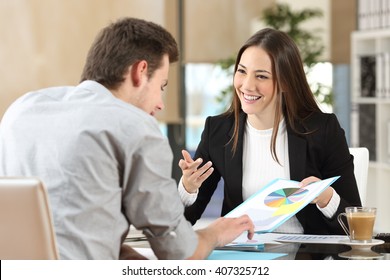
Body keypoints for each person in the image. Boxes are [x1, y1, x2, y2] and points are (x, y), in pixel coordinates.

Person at [0, 17, 254, 260]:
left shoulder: (22, 109)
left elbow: (60, 222)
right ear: (140, 72)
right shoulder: (135, 126)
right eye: (162, 86)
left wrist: (115, 252)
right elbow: (182, 252)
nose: (161, 104)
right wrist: (216, 232)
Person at [178, 28, 361, 235]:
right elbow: (183, 221)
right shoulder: (218, 131)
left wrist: (326, 197)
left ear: (285, 82)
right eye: (242, 71)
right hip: (242, 258)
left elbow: (354, 223)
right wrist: (188, 188)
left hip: (305, 258)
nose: (247, 85)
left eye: (262, 76)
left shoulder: (322, 129)